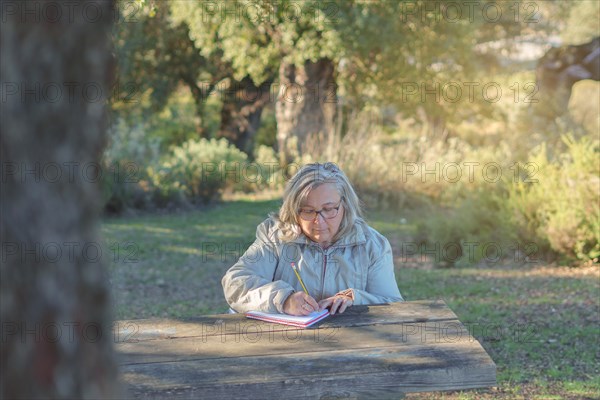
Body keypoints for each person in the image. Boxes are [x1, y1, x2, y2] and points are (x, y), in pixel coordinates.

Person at [222, 162, 403, 316]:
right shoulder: (275, 237)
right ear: (294, 209)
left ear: (345, 205)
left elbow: (394, 305)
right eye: (308, 211)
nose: (319, 221)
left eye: (329, 209)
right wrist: (284, 299)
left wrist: (354, 298)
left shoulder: (372, 245)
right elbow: (235, 283)